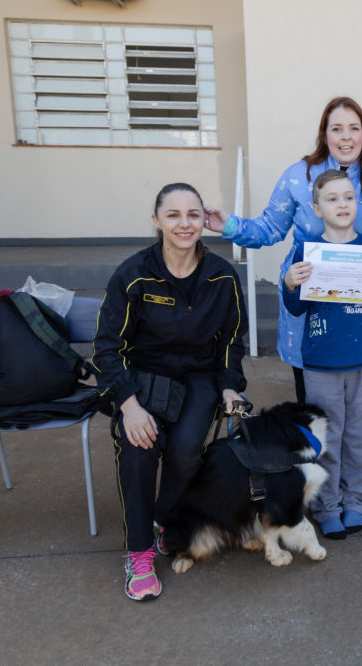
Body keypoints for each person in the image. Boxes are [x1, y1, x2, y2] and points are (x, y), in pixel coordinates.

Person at [204, 96, 362, 498]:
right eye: (336, 128)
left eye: (354, 128)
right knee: (317, 401)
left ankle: (359, 471)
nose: (345, 136)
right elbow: (268, 229)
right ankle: (320, 477)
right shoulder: (299, 176)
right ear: (324, 134)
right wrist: (227, 224)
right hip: (309, 309)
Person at [93, 182, 247, 601]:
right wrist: (129, 406)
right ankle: (139, 552)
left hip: (198, 377)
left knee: (185, 451)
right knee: (140, 447)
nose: (185, 223)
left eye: (193, 215)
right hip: (142, 378)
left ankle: (164, 520)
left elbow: (233, 341)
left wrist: (231, 387)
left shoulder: (223, 277)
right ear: (157, 220)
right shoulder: (132, 275)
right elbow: (108, 348)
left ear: (204, 221)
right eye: (174, 215)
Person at [281, 169, 362, 538]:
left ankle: (355, 502)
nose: (342, 204)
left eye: (349, 197)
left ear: (358, 204)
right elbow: (297, 309)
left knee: (361, 436)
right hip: (321, 362)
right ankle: (326, 506)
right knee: (327, 438)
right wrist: (290, 284)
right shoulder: (307, 252)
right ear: (317, 208)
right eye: (332, 199)